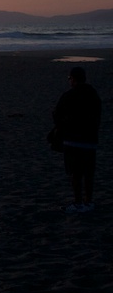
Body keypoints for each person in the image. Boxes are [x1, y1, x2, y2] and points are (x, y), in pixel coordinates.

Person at [52, 66, 102, 213]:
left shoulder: (69, 95)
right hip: (90, 140)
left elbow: (57, 114)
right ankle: (89, 202)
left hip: (73, 140)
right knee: (88, 173)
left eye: (70, 78)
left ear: (73, 79)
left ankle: (78, 202)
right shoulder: (94, 95)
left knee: (75, 173)